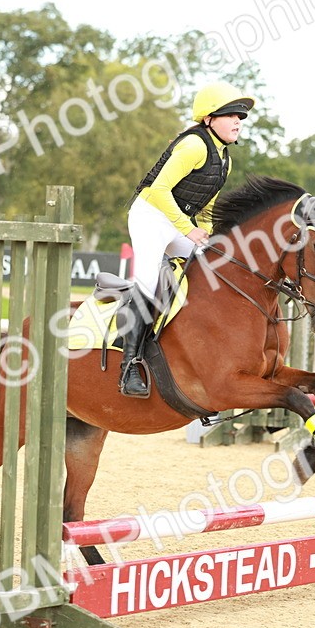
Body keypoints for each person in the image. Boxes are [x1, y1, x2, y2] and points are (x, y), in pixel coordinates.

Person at [117, 80, 255, 397]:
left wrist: (206, 234)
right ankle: (129, 368)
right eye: (231, 115)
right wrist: (188, 229)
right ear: (209, 119)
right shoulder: (193, 145)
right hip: (150, 216)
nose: (238, 121)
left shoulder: (224, 159)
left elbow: (205, 205)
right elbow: (158, 192)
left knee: (217, 266)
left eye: (241, 117)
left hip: (176, 222)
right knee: (148, 282)